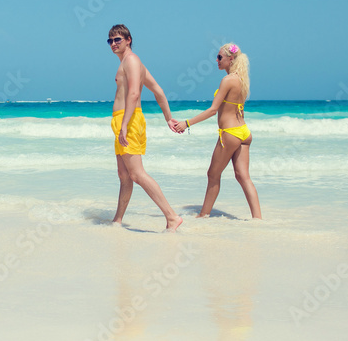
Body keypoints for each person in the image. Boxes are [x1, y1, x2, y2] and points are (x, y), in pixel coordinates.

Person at [107, 24, 183, 232]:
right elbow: (157, 90)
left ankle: (172, 217)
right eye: (110, 40)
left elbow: (134, 94)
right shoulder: (130, 62)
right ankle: (117, 220)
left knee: (137, 174)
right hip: (123, 120)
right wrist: (168, 118)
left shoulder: (131, 60)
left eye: (118, 40)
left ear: (128, 40)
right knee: (124, 175)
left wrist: (124, 125)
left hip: (128, 121)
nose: (113, 44)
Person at [174, 43, 262, 219]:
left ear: (231, 59)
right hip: (244, 133)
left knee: (213, 175)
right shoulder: (242, 81)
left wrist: (187, 123)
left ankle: (203, 215)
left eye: (220, 57)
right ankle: (258, 219)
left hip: (229, 134)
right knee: (243, 177)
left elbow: (213, 110)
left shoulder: (228, 80)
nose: (216, 60)